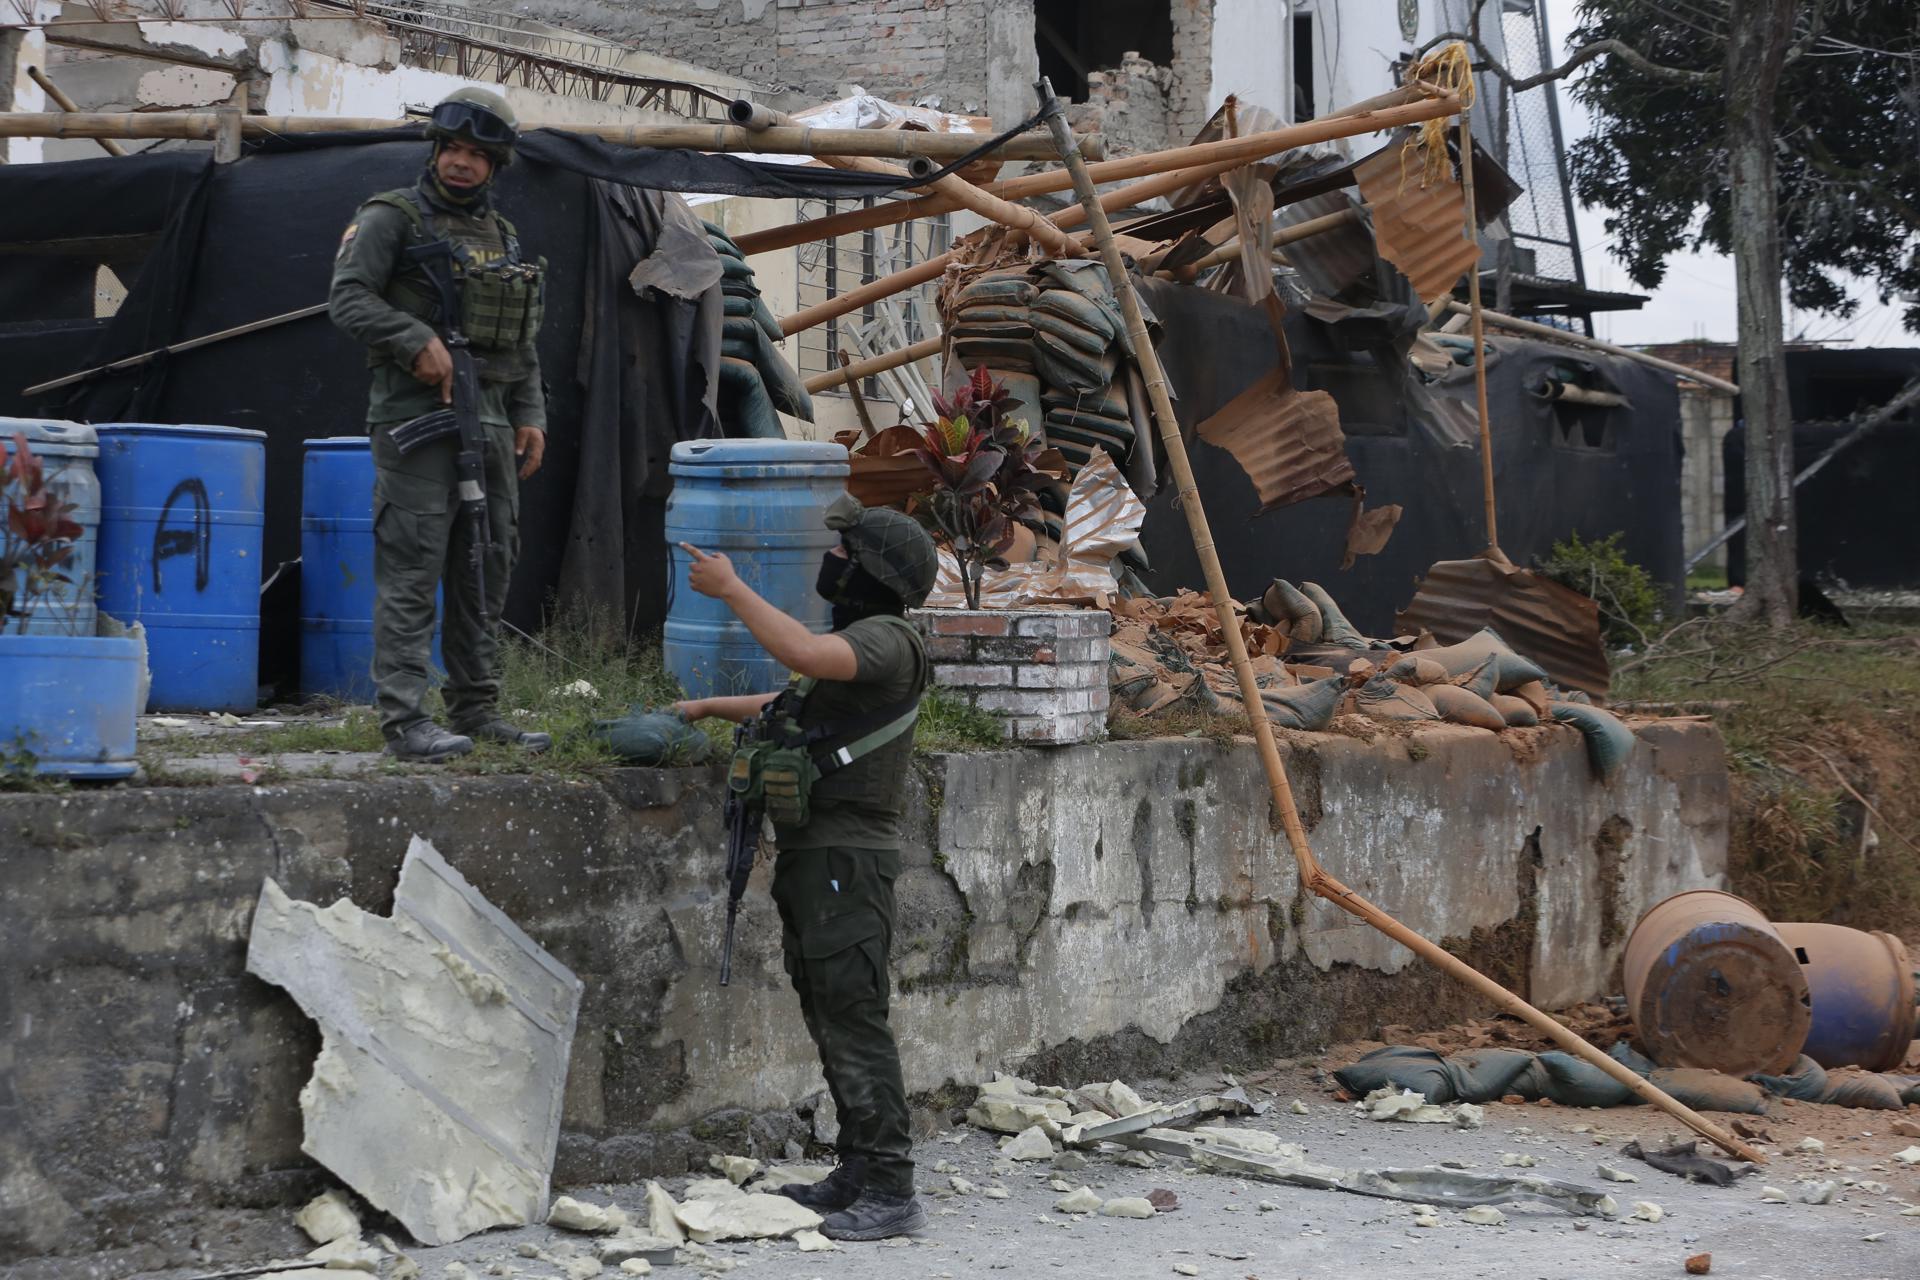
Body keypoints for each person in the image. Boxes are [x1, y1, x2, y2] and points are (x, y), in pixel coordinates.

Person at [673, 494, 938, 1243]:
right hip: (817, 855)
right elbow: (792, 697)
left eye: (847, 555)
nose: (835, 564)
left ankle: (892, 1188)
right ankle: (858, 1169)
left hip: (846, 860)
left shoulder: (886, 639)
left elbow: (802, 656)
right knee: (829, 1009)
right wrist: (702, 709)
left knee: (855, 1015)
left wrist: (731, 589)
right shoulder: (862, 640)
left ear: (874, 575)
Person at [328, 87, 551, 762]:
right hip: (414, 419)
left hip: (487, 419)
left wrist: (531, 413)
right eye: (451, 148)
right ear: (435, 151)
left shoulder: (502, 236)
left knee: (487, 563)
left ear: (495, 165)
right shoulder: (389, 217)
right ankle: (404, 719)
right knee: (413, 565)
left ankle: (477, 708)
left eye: (476, 155)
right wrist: (413, 337)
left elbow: (519, 340)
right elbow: (347, 298)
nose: (460, 163)